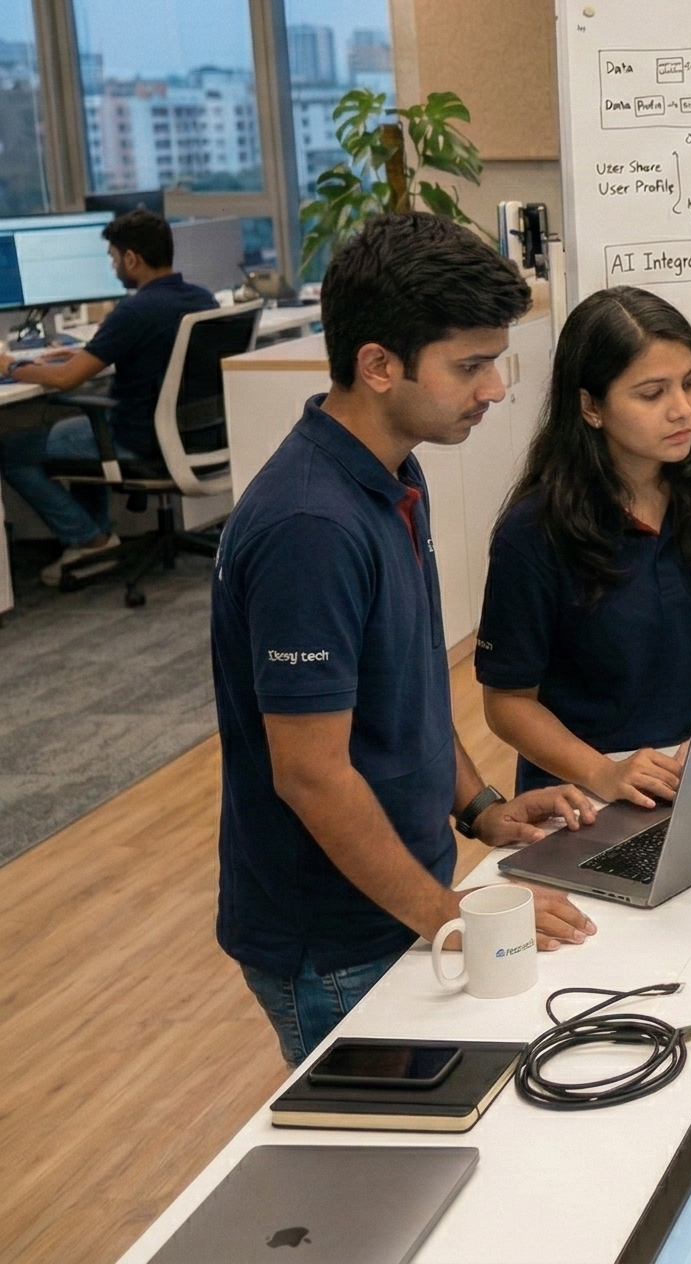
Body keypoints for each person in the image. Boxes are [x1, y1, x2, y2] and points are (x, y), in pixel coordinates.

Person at [211, 212, 600, 1067]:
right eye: (469, 366)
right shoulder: (311, 526)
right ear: (378, 366)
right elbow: (311, 774)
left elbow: (406, 694)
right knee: (377, 1175)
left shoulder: (393, 473)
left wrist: (481, 810)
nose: (494, 388)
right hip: (339, 940)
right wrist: (451, 917)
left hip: (405, 899)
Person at [476, 287, 691, 808]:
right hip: (583, 791)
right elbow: (508, 703)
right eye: (651, 394)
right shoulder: (533, 531)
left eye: (690, 383)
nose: (682, 409)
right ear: (591, 407)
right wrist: (605, 774)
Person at [2, 208, 216, 585]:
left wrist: (8, 365)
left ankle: (89, 539)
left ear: (132, 258)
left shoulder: (134, 311)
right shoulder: (201, 299)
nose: (114, 267)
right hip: (196, 435)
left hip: (137, 438)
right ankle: (94, 537)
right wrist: (86, 352)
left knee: (11, 451)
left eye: (114, 258)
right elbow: (140, 351)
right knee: (72, 432)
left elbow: (67, 379)